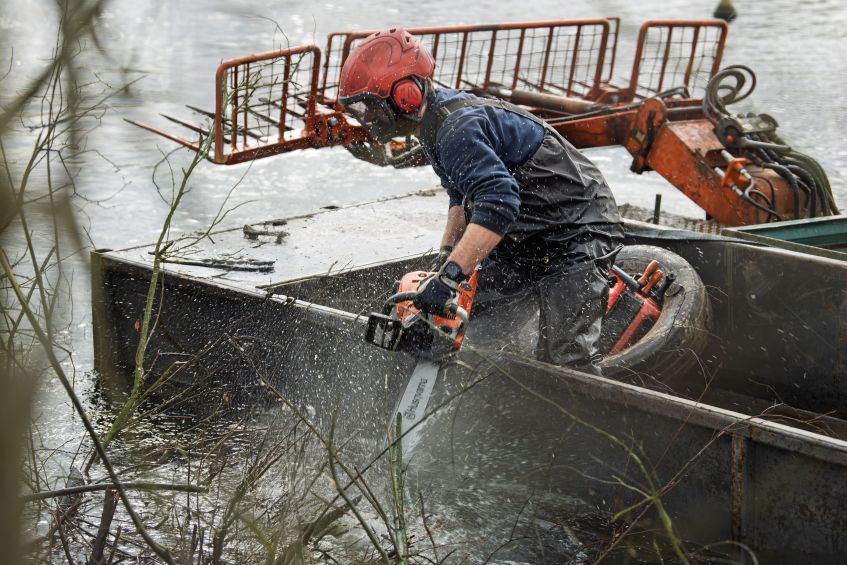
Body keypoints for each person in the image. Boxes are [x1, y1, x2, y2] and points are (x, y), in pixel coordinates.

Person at [339, 28, 624, 374]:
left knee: (565, 361)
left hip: (577, 230)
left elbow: (498, 204)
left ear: (406, 95)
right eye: (359, 111)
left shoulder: (457, 129)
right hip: (529, 233)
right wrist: (445, 259)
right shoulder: (433, 126)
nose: (367, 120)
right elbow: (460, 196)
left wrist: (450, 278)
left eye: (370, 109)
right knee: (474, 317)